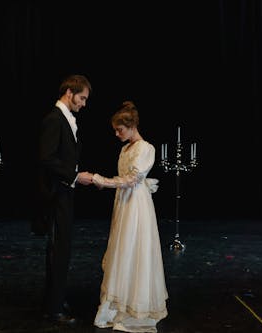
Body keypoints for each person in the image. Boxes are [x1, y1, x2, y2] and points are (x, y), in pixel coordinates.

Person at [92, 101, 168, 333]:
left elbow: (133, 179)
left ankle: (136, 306)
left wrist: (101, 180)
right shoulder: (125, 149)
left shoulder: (146, 148)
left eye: (120, 130)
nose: (116, 134)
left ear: (132, 125)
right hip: (124, 203)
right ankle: (117, 303)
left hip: (137, 205)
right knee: (122, 249)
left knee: (133, 249)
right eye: (115, 130)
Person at [35, 74, 94, 325]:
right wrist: (75, 176)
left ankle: (54, 300)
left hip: (64, 192)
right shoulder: (54, 120)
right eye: (81, 98)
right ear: (69, 93)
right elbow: (46, 158)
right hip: (56, 194)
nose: (84, 103)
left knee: (62, 249)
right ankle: (54, 308)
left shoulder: (66, 119)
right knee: (59, 250)